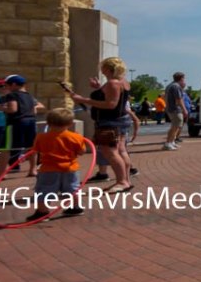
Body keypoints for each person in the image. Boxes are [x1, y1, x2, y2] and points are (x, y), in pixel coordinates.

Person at [68, 57, 135, 192]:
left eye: (103, 67)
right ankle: (125, 180)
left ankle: (122, 182)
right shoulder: (123, 82)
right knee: (121, 150)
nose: (101, 69)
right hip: (119, 120)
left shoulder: (113, 83)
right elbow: (112, 98)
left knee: (110, 152)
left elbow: (111, 104)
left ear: (109, 69)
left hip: (110, 122)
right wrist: (99, 88)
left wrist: (83, 100)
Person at [25, 108, 87, 221]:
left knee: (44, 190)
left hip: (48, 169)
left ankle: (42, 212)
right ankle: (75, 207)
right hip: (70, 168)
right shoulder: (76, 137)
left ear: (48, 123)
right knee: (72, 189)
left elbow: (35, 150)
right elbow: (81, 152)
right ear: (70, 123)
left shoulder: (41, 137)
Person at [0, 74, 43, 180]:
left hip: (15, 123)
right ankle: (32, 170)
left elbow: (12, 109)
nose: (6, 87)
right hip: (31, 123)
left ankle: (1, 172)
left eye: (7, 85)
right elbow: (34, 110)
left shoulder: (12, 95)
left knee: (5, 148)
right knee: (31, 147)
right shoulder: (29, 96)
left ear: (14, 84)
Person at [162, 72, 188, 151]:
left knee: (175, 126)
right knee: (175, 126)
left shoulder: (170, 85)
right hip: (175, 109)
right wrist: (184, 110)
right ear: (181, 78)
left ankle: (171, 142)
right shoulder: (176, 86)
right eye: (184, 78)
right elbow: (179, 100)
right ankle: (168, 143)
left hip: (170, 108)